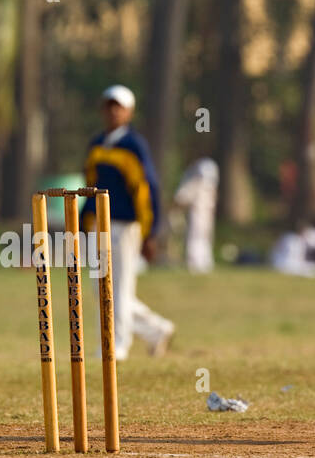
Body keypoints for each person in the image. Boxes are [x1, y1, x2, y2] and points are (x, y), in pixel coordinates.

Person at [81, 85, 174, 359]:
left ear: (129, 112)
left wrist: (150, 233)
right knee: (101, 287)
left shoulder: (134, 146)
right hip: (99, 226)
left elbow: (148, 190)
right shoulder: (96, 145)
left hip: (124, 226)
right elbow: (89, 186)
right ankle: (156, 329)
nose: (113, 112)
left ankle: (116, 345)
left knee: (118, 287)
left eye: (118, 107)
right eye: (109, 106)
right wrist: (82, 221)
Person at [173, 157, 219, 274]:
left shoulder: (209, 187)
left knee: (204, 239)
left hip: (206, 215)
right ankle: (195, 263)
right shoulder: (196, 184)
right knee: (195, 238)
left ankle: (204, 263)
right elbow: (181, 198)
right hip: (196, 214)